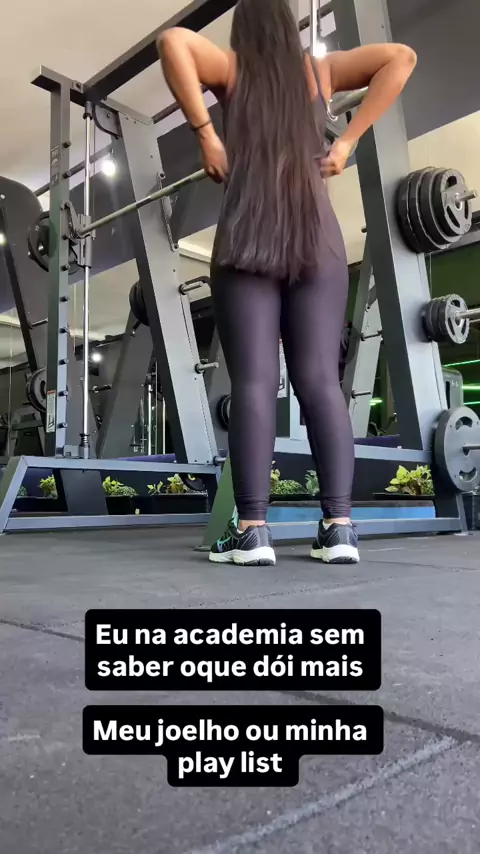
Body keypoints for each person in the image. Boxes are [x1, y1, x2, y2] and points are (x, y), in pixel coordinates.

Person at [158, 0, 416, 567]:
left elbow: (173, 41)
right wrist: (348, 140)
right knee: (321, 381)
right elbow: (401, 56)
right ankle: (339, 528)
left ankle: (252, 532)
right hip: (316, 239)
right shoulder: (318, 73)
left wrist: (207, 134)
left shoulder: (231, 69)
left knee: (253, 382)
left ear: (244, 26)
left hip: (248, 234)